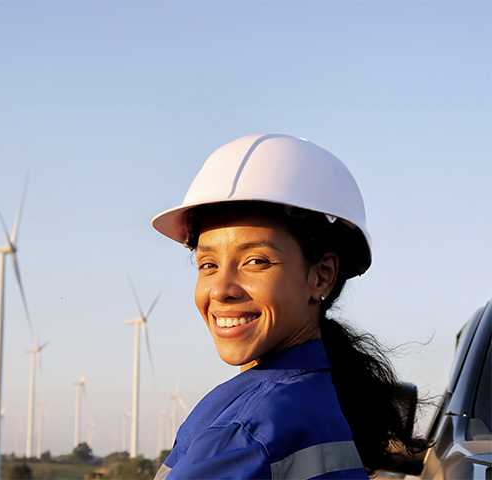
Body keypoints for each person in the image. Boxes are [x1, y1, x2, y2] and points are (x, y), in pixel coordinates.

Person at [150, 134, 426, 479]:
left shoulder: (247, 429)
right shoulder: (323, 401)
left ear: (322, 276)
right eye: (208, 265)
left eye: (256, 261)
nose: (221, 289)